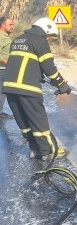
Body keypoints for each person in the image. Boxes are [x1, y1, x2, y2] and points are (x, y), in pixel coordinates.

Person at [2, 17, 71, 160]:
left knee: (24, 123)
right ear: (45, 30)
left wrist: (39, 75)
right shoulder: (40, 41)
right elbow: (49, 68)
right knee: (38, 121)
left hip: (9, 88)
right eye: (50, 36)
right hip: (27, 89)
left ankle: (35, 150)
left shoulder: (17, 40)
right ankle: (49, 151)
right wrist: (62, 84)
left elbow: (23, 63)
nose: (50, 39)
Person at [0, 15, 15, 117]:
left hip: (4, 69)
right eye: (10, 24)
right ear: (2, 25)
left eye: (13, 24)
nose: (12, 26)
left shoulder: (5, 37)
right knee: (2, 91)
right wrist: (8, 63)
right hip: (2, 70)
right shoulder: (1, 36)